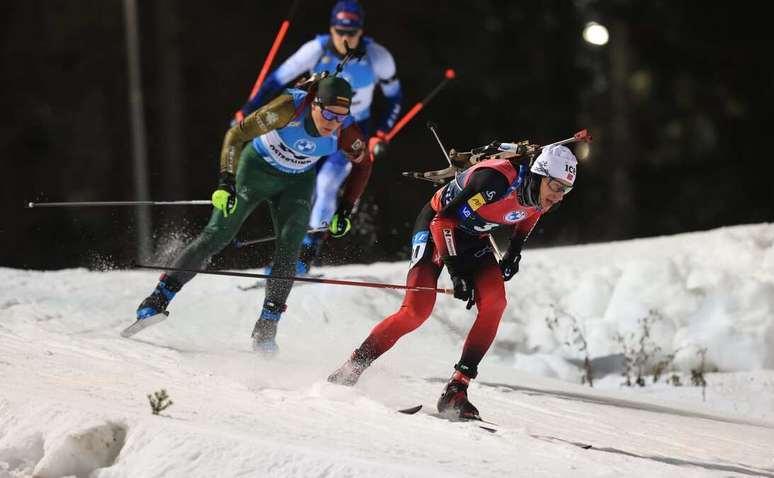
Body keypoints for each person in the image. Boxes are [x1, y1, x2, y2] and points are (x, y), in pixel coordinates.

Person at [327, 143, 578, 419]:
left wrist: (514, 250)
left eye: (566, 190)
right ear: (540, 174)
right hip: (438, 227)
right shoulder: (495, 182)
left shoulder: (540, 196)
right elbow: (442, 222)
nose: (559, 196)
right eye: (556, 186)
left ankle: (457, 389)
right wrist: (457, 272)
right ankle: (352, 367)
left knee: (495, 303)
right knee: (416, 311)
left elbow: (528, 215)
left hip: (472, 237)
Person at [132, 76, 370, 354]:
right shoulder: (287, 108)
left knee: (290, 248)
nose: (332, 122)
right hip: (256, 171)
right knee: (217, 235)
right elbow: (236, 135)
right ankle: (157, 300)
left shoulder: (346, 133)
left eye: (341, 117)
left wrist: (345, 209)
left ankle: (267, 326)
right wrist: (226, 182)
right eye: (328, 113)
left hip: (296, 183)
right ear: (315, 104)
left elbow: (364, 166)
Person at [241, 0, 401, 274]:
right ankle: (286, 252)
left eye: (351, 31)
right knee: (298, 185)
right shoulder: (316, 49)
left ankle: (304, 255)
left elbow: (394, 99)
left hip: (350, 128)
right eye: (340, 31)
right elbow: (276, 81)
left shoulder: (378, 57)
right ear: (331, 28)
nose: (345, 37)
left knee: (327, 184)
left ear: (361, 31)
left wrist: (380, 134)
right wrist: (247, 110)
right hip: (311, 125)